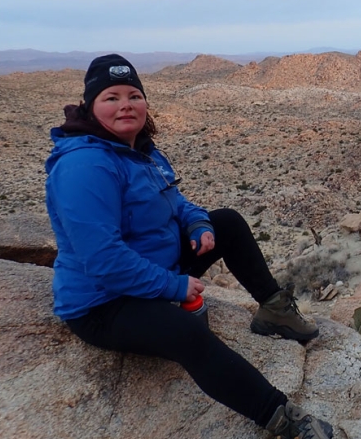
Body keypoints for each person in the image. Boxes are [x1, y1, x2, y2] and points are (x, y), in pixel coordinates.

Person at [44, 54, 333, 439]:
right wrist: (174, 287)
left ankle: (274, 312)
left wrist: (197, 225)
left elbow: (176, 202)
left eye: (133, 95)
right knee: (187, 334)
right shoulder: (86, 166)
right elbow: (103, 260)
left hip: (152, 270)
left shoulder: (139, 150)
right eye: (111, 97)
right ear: (91, 107)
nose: (125, 105)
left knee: (226, 221)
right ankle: (283, 418)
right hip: (104, 302)